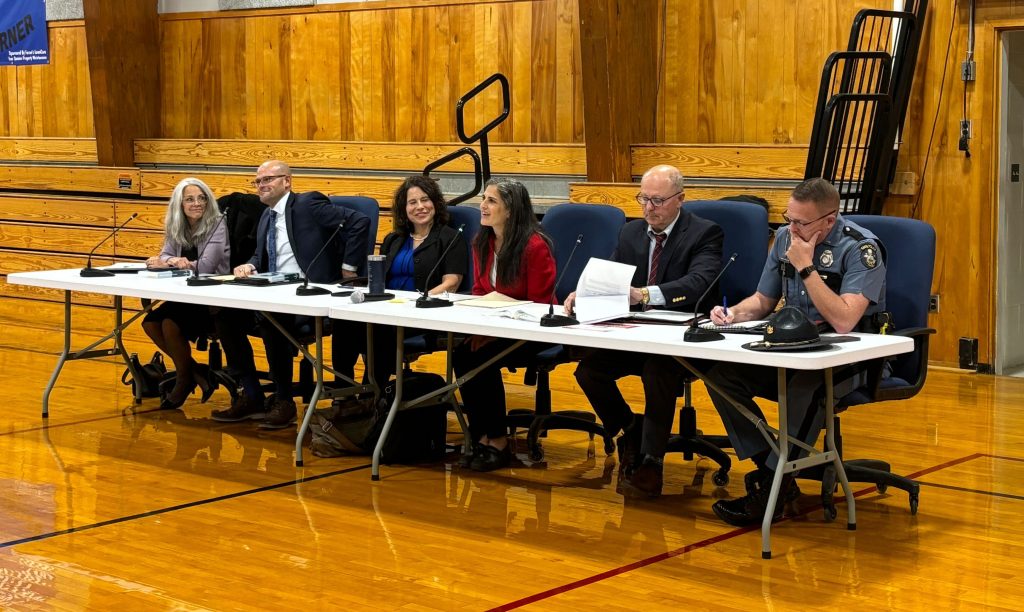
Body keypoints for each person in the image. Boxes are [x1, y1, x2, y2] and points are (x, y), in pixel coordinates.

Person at [703, 177, 887, 527]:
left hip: (850, 356)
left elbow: (846, 320)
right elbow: (763, 301)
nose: (791, 228)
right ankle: (771, 466)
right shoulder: (787, 238)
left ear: (829, 221)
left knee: (808, 384)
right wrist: (734, 314)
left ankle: (771, 489)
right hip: (793, 348)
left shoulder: (861, 248)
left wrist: (806, 267)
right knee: (719, 374)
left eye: (801, 222)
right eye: (788, 218)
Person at [563, 165, 724, 498]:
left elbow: (698, 283)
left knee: (657, 371)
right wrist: (585, 292)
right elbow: (611, 275)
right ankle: (632, 429)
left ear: (679, 199)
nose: (649, 208)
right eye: (643, 199)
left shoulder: (705, 233)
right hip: (637, 331)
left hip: (680, 335)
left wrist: (645, 294)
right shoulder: (631, 233)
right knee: (590, 371)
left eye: (658, 200)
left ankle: (652, 460)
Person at [210, 160, 370, 428]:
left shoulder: (308, 204)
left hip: (311, 294)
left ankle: (284, 401)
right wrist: (250, 264)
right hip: (275, 292)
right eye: (257, 181)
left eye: (268, 179)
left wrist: (348, 267)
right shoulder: (266, 216)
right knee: (224, 315)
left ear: (287, 181)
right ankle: (251, 395)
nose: (261, 185)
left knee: (273, 318)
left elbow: (359, 222)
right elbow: (262, 255)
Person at [452, 178, 556, 472]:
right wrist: (480, 328)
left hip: (531, 332)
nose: (482, 206)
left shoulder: (535, 246)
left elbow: (541, 303)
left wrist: (493, 333)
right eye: (483, 199)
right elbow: (479, 292)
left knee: (482, 357)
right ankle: (480, 434)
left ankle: (498, 441)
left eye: (491, 201)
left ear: (510, 210)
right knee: (462, 353)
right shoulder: (482, 242)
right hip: (493, 328)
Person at [335, 175, 468, 384]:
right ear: (404, 209)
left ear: (435, 203)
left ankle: (372, 393)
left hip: (423, 314)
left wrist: (419, 299)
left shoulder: (450, 238)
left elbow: (451, 282)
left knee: (381, 328)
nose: (420, 207)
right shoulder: (394, 239)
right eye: (412, 202)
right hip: (387, 308)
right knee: (343, 323)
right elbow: (378, 277)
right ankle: (343, 392)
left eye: (425, 200)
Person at [142, 178, 229, 410]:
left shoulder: (217, 223)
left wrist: (176, 263)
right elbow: (165, 254)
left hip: (211, 294)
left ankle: (184, 379)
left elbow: (207, 267)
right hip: (184, 294)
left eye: (202, 198)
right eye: (189, 199)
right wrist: (172, 260)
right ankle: (194, 370)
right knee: (150, 323)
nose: (197, 203)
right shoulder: (176, 224)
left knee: (170, 324)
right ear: (179, 205)